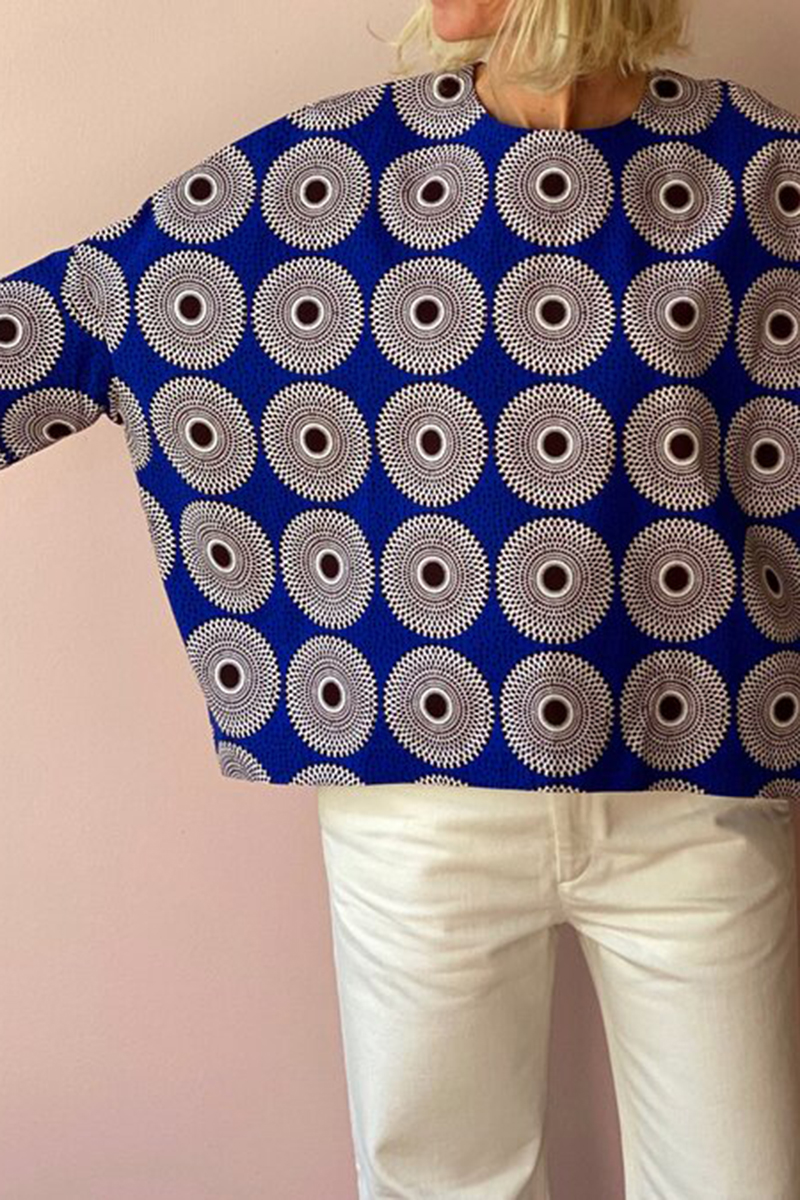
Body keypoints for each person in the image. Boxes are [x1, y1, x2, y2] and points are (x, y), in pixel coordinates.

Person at [2, 0, 800, 1196]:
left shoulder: (762, 176)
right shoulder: (320, 179)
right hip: (420, 807)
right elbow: (87, 312)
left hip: (699, 802)